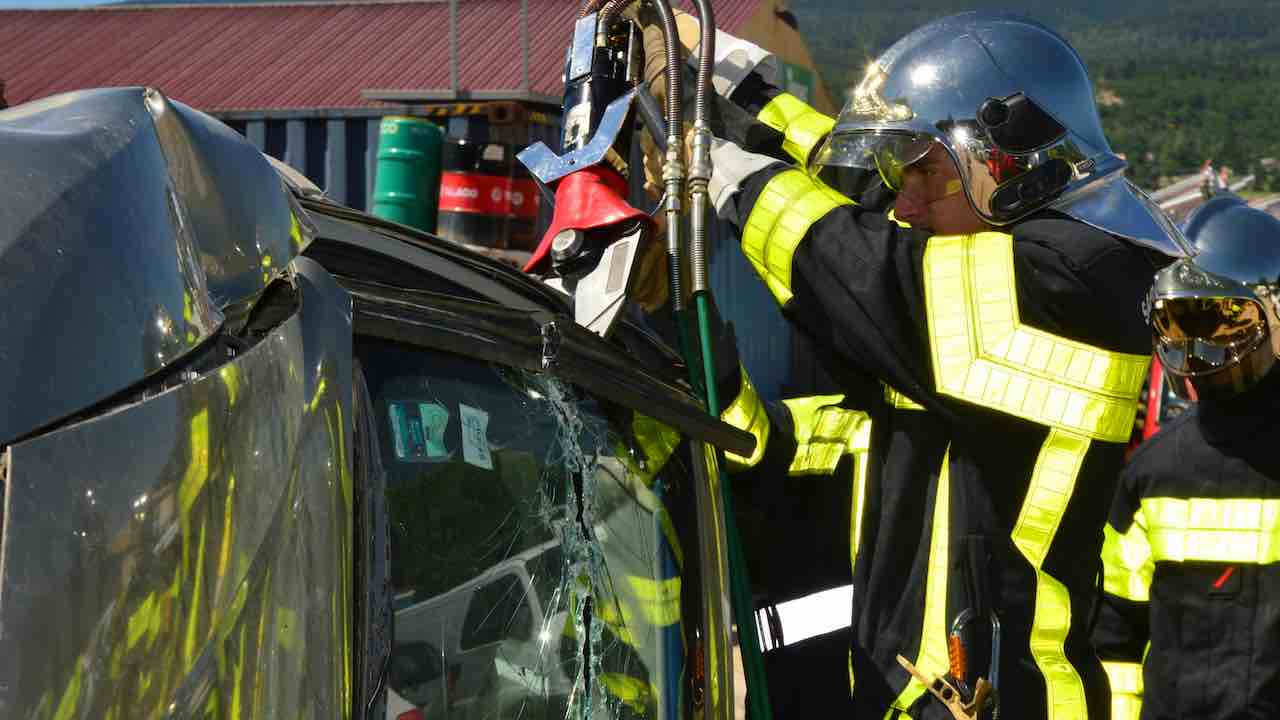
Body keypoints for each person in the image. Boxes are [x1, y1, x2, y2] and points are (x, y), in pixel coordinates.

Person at [636, 9, 1190, 719]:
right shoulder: (1002, 251)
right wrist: (728, 82)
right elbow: (853, 186)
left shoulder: (1084, 283)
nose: (904, 203)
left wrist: (716, 170)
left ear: (1005, 165)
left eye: (925, 172)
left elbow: (862, 268)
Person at [1094, 195, 1280, 720]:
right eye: (1179, 325)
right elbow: (1114, 633)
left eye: (1220, 323)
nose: (1198, 352)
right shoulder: (1151, 474)